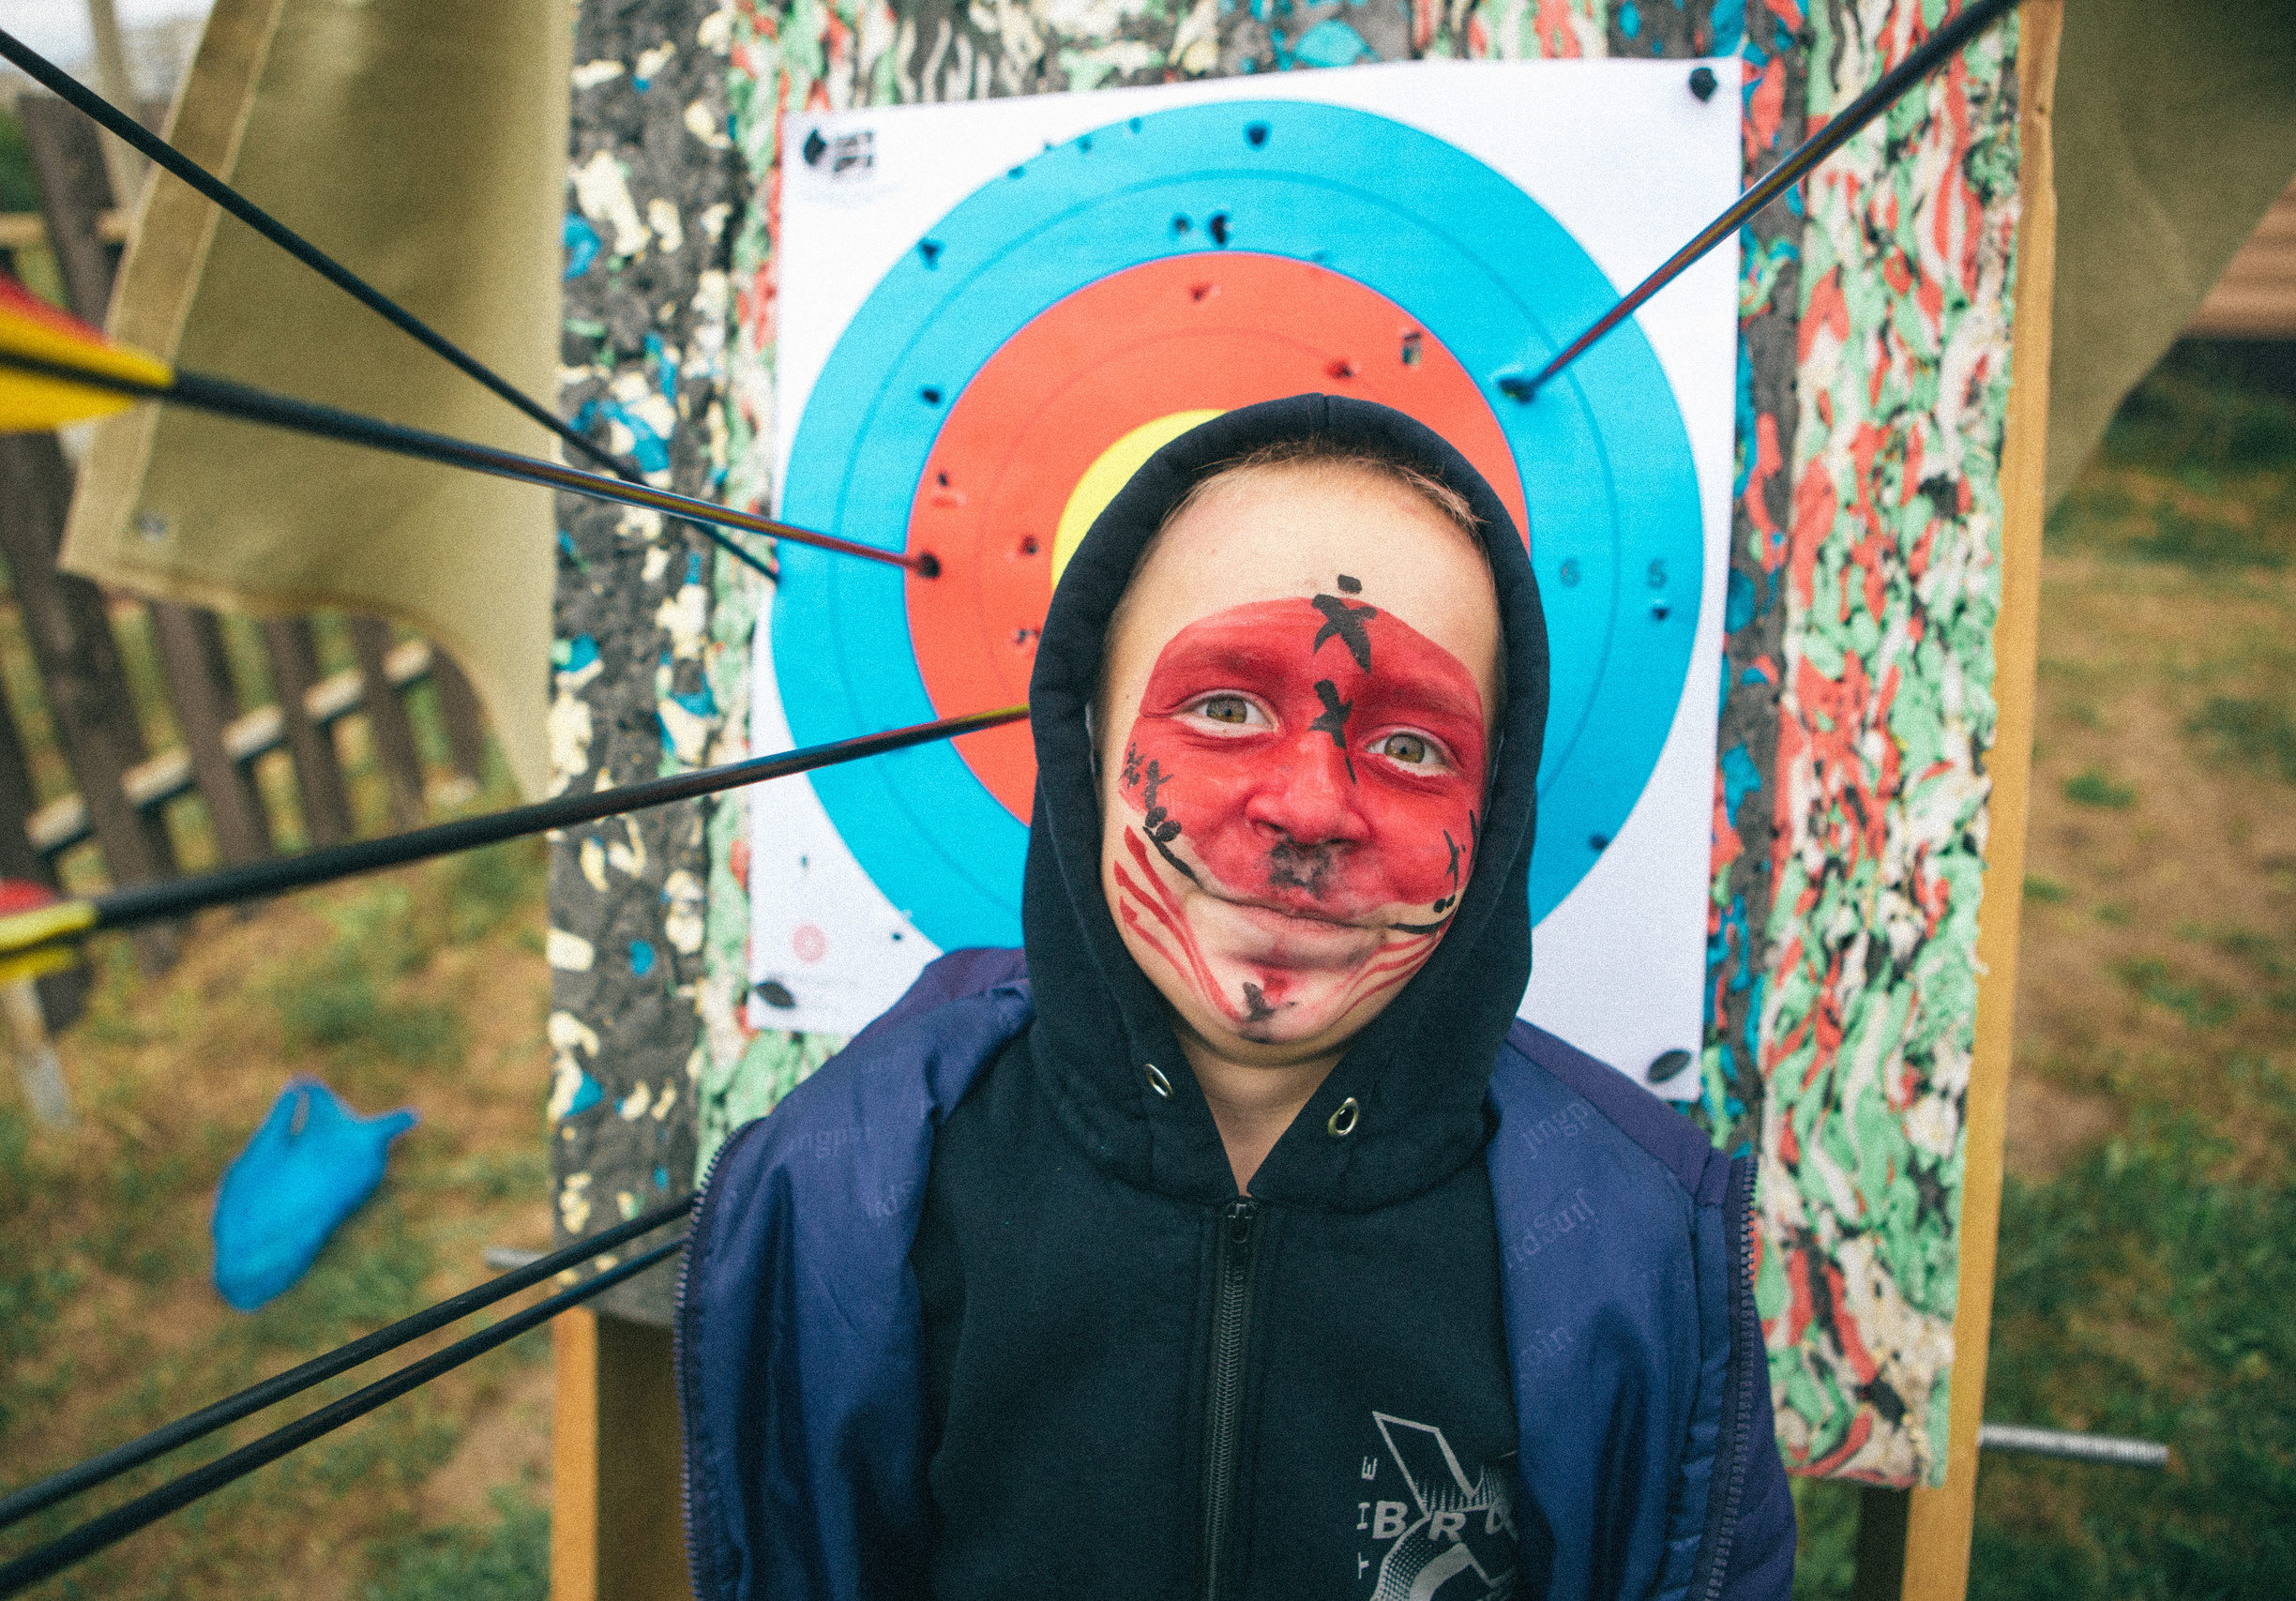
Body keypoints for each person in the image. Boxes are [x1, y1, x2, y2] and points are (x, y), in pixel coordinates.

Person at [674, 395, 1795, 1601]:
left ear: (1499, 808)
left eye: (1415, 746)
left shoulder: (1632, 1250)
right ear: (1087, 744)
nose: (1310, 810)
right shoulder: (848, 1194)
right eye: (1223, 708)